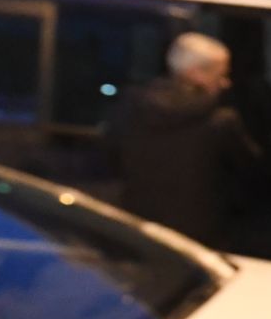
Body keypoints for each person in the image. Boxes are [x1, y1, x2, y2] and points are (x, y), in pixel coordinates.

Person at [112, 32, 263, 246]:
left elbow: (110, 158)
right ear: (196, 74)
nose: (226, 83)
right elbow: (251, 171)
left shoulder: (131, 108)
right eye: (220, 75)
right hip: (200, 236)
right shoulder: (220, 122)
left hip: (139, 228)